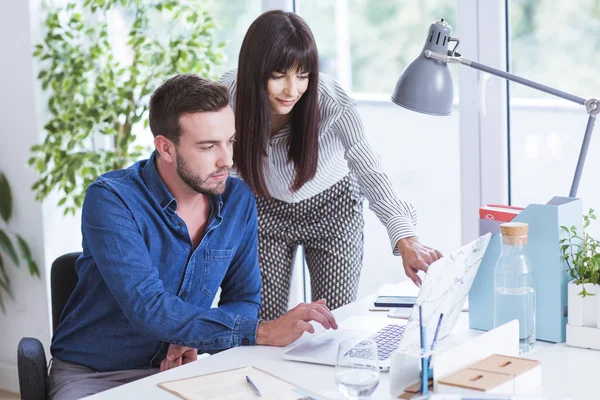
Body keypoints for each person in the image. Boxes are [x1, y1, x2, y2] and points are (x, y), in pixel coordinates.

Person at [48, 74, 337, 400]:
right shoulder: (112, 199)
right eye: (208, 146)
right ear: (166, 148)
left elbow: (244, 299)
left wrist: (193, 337)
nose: (226, 159)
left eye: (229, 141)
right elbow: (149, 309)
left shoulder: (237, 200)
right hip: (97, 374)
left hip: (188, 368)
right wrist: (262, 332)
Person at [220, 10, 443, 320]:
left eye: (302, 74)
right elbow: (219, 171)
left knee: (332, 321)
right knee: (265, 323)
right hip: (263, 208)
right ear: (254, 70)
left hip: (332, 209)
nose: (292, 89)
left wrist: (406, 238)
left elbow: (369, 170)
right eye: (278, 75)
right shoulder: (227, 97)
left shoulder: (331, 102)